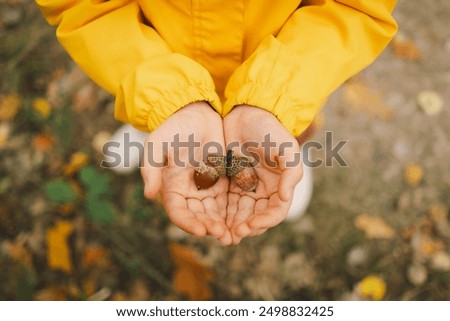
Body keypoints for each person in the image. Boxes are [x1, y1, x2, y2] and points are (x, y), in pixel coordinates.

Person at [35, 0, 398, 245]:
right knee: (156, 108)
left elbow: (355, 9)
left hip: (285, 65)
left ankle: (283, 141)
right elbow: (85, 8)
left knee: (293, 120)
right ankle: (155, 120)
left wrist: (273, 102)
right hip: (156, 52)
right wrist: (168, 101)